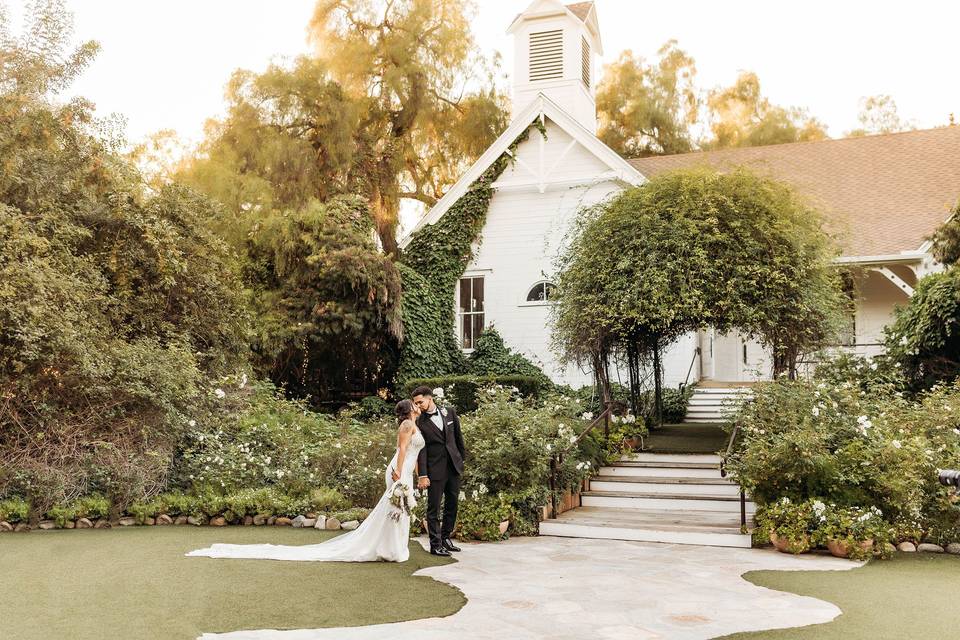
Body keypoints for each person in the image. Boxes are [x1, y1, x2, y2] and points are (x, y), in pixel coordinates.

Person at [184, 400, 425, 563]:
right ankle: (390, 549)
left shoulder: (414, 424)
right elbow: (402, 449)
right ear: (410, 410)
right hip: (397, 470)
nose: (418, 406)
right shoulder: (406, 425)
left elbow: (414, 453)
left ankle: (393, 547)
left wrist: (416, 473)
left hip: (405, 471)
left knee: (399, 510)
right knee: (395, 508)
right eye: (415, 404)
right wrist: (399, 474)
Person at [411, 386, 466, 557]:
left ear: (430, 398)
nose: (418, 406)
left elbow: (458, 438)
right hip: (434, 469)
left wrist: (461, 459)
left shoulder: (449, 412)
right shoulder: (419, 422)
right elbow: (421, 450)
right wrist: (423, 474)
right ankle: (435, 545)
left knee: (452, 503)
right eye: (416, 403)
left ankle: (446, 537)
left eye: (420, 402)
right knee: (433, 508)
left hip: (453, 466)